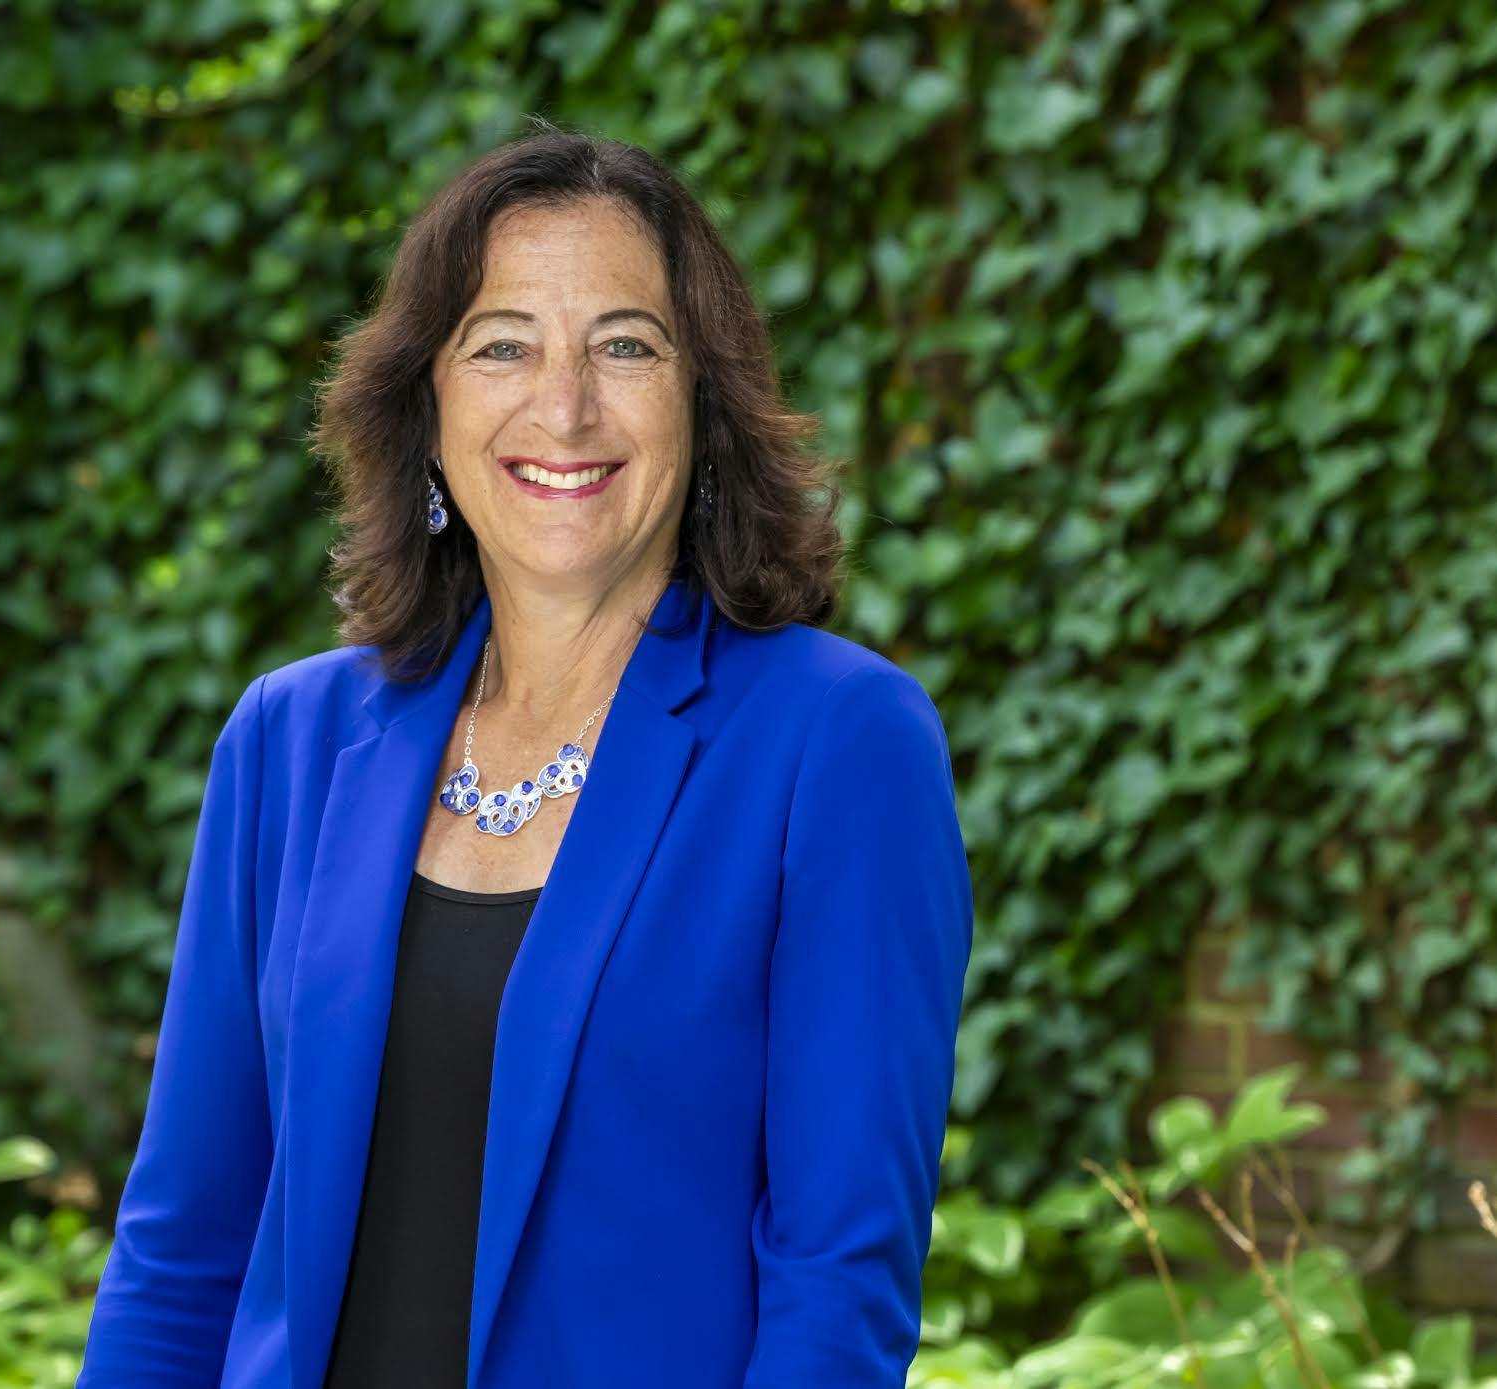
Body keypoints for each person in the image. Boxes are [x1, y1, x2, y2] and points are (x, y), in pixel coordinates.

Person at [76, 120, 973, 1389]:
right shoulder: (288, 741)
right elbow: (183, 1246)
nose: (564, 407)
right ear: (427, 406)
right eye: (502, 345)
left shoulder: (837, 742)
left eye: (626, 345)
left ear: (703, 402)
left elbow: (838, 1283)